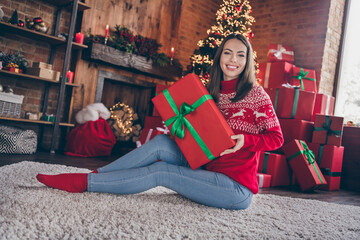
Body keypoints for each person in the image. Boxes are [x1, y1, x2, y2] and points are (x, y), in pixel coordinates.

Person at [36, 34, 283, 210]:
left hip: (235, 188)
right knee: (163, 142)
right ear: (219, 57)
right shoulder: (212, 93)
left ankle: (85, 183)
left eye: (241, 55)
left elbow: (276, 138)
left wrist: (246, 140)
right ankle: (98, 176)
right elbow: (202, 136)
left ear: (247, 61)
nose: (233, 59)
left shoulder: (256, 94)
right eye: (228, 52)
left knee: (162, 171)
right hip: (207, 165)